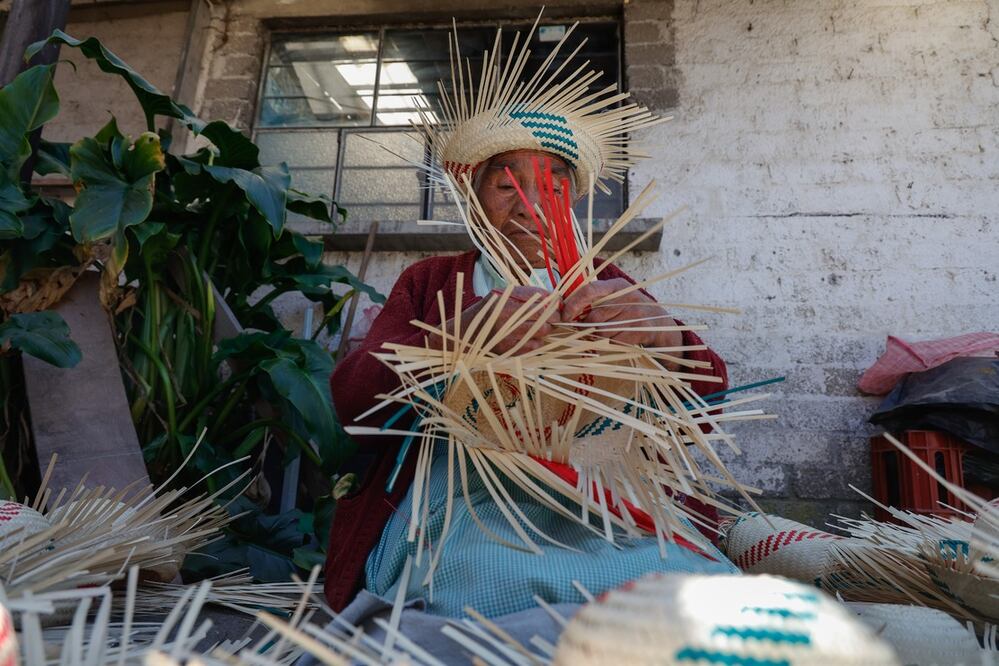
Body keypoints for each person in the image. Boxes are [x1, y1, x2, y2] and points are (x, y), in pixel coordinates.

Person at [318, 21, 737, 659]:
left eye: (550, 183)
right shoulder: (434, 281)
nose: (529, 200)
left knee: (691, 593)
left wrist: (663, 337)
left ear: (570, 199)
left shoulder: (607, 284)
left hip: (601, 494)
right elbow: (354, 402)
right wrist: (457, 334)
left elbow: (702, 404)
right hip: (465, 496)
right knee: (478, 591)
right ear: (474, 195)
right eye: (505, 181)